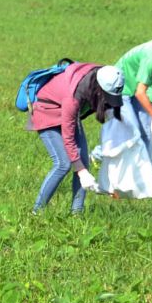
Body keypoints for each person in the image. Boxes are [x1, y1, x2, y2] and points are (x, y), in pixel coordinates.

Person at [29, 63, 123, 214]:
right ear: (99, 89)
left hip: (68, 114)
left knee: (83, 162)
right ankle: (36, 212)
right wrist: (82, 173)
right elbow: (68, 138)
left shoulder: (102, 76)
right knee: (63, 164)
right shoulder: (73, 98)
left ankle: (76, 214)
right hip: (46, 111)